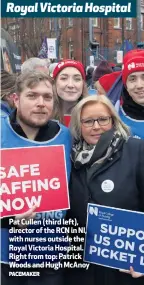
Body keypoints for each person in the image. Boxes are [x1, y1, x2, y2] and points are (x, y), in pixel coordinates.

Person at [64, 95, 144, 285]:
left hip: (126, 263)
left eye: (103, 119)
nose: (96, 126)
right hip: (82, 265)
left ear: (113, 120)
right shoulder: (70, 157)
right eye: (88, 121)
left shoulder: (135, 150)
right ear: (79, 125)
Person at [1, 71, 72, 285]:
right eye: (32, 96)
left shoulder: (67, 136)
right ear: (16, 99)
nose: (41, 103)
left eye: (47, 97)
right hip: (7, 255)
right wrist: (9, 220)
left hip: (51, 256)